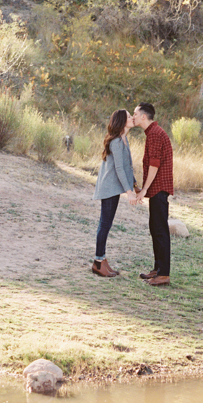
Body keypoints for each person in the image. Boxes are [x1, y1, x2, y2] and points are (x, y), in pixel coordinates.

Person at [130, 102, 173, 286]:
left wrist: (145, 189)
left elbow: (154, 164)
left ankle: (164, 274)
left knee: (160, 231)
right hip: (156, 189)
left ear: (143, 117)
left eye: (135, 113)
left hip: (159, 189)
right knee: (155, 229)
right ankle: (157, 269)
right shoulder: (153, 133)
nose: (133, 116)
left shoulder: (155, 134)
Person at [92, 108, 137, 278]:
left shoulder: (123, 140)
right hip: (109, 188)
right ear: (121, 121)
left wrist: (134, 185)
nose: (132, 118)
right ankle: (98, 261)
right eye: (129, 117)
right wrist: (129, 192)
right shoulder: (116, 142)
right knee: (104, 224)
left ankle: (102, 261)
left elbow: (127, 166)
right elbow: (118, 169)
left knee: (107, 224)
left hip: (114, 188)